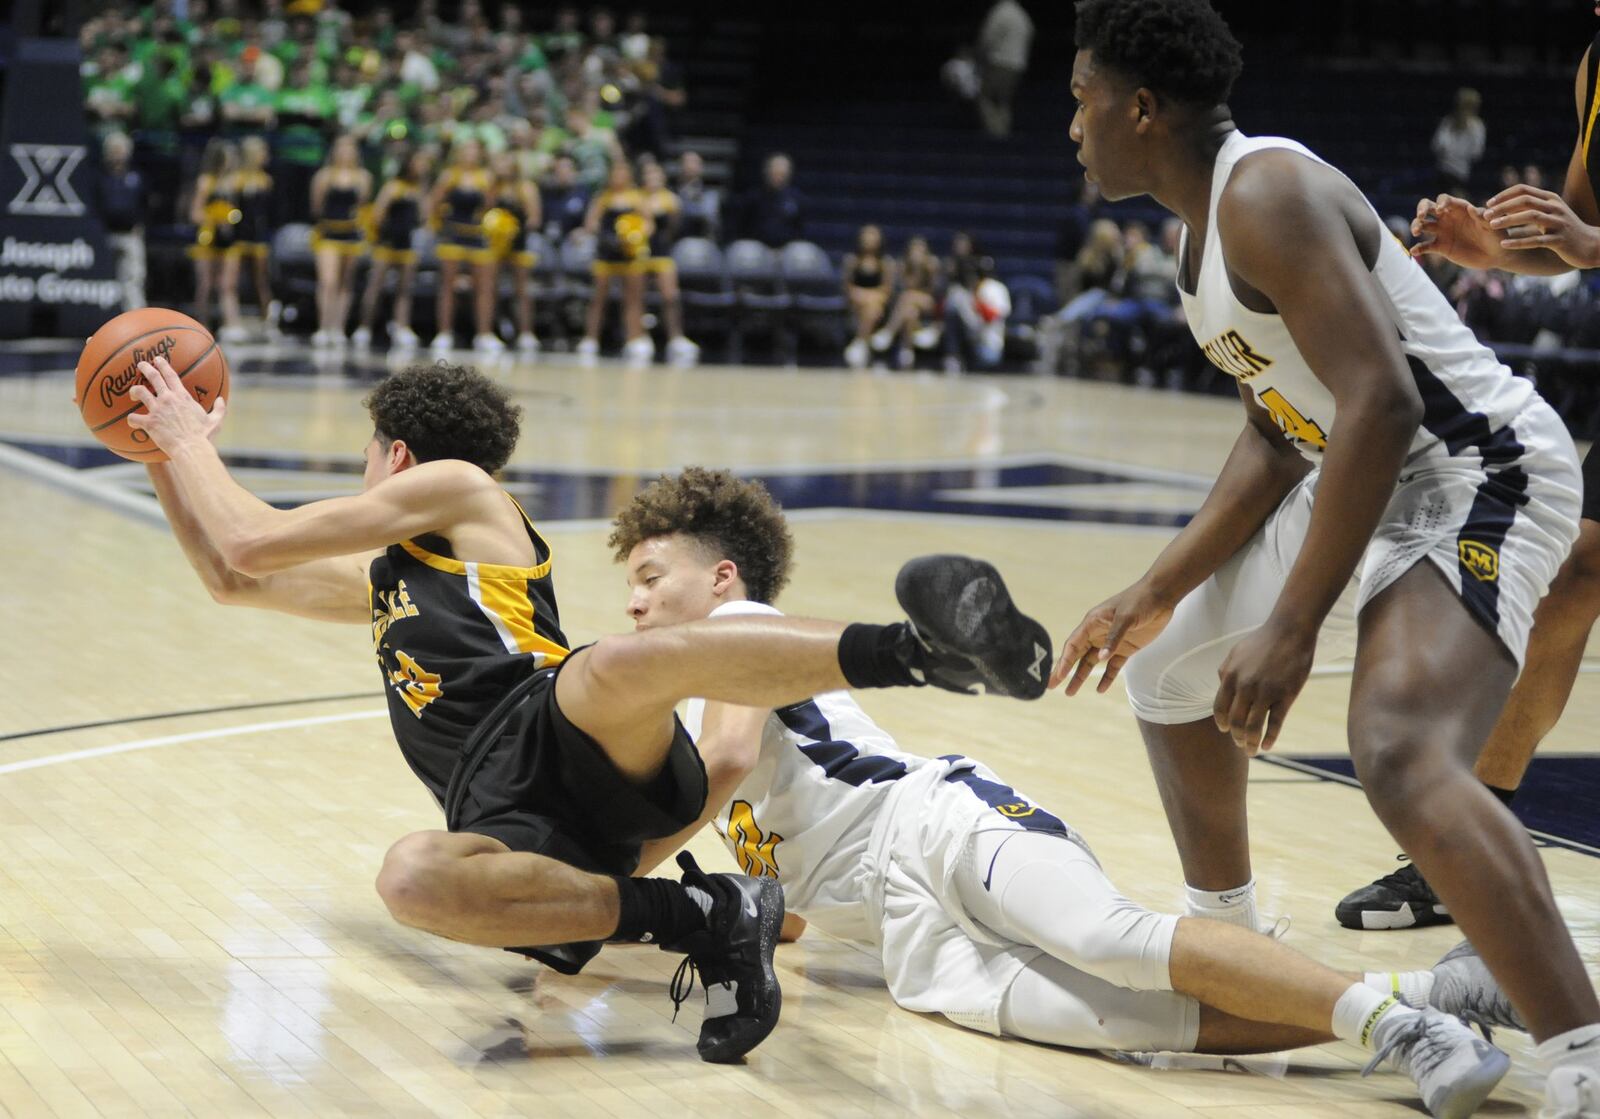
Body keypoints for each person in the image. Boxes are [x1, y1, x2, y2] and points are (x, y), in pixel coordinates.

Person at [121, 356, 1054, 1063]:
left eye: (368, 456)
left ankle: (915, 651)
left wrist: (184, 435)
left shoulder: (464, 491)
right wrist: (153, 446)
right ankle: (700, 912)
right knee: (411, 877)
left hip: (552, 721)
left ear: (396, 456)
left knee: (614, 666)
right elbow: (231, 571)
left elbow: (252, 530)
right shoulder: (385, 580)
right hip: (500, 803)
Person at [1051, 3, 1598, 1116]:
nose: (1071, 125)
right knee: (1167, 677)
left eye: (1079, 99)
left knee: (1394, 747)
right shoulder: (1203, 233)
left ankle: (1582, 1056)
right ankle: (1247, 966)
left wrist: (1292, 627)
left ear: (1141, 108)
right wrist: (1153, 589)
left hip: (1477, 471)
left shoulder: (1268, 193)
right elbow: (1277, 429)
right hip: (1365, 470)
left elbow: (1383, 402)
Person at [613, 466, 1521, 1110]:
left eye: (652, 576)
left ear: (723, 576)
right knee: (1128, 1021)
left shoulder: (736, 629)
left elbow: (727, 762)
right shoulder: (698, 696)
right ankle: (1437, 996)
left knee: (1109, 937)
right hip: (905, 937)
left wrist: (613, 887)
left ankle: (1400, 1030)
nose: (636, 603)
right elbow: (789, 892)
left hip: (930, 821)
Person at [1334, 14, 1600, 946]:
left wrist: (1593, 248)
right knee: (1575, 578)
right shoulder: (1595, 66)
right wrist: (1499, 249)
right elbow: (1580, 232)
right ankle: (1470, 835)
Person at [353, 146, 431, 352]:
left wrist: (423, 187)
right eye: (419, 162)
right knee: (376, 286)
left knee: (405, 289)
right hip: (387, 243)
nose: (423, 166)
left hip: (407, 244)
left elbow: (424, 216)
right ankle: (365, 326)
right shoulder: (393, 186)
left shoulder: (418, 189)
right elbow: (378, 214)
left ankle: (402, 326)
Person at [428, 137, 501, 355]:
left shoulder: (486, 177)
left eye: (474, 150)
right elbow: (434, 203)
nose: (470, 154)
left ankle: (484, 334)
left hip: (477, 235)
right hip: (453, 235)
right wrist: (437, 226)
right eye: (466, 149)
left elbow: (491, 207)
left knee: (484, 286)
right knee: (448, 285)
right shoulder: (450, 175)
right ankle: (444, 332)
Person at [577, 159, 650, 363]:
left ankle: (634, 339)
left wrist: (634, 235)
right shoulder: (603, 197)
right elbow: (591, 222)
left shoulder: (636, 197)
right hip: (607, 252)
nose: (618, 176)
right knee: (598, 298)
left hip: (630, 254)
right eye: (615, 172)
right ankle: (591, 339)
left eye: (622, 172)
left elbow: (648, 223)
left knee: (633, 298)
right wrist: (602, 234)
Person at [309, 134, 372, 349]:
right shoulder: (324, 176)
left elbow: (362, 206)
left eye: (350, 149)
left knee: (346, 282)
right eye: (341, 149)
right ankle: (323, 326)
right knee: (328, 281)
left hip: (351, 234)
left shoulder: (363, 177)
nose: (346, 153)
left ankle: (338, 327)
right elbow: (316, 206)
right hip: (329, 232)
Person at [636, 159, 700, 365]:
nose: (652, 179)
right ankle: (640, 337)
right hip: (639, 254)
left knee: (671, 296)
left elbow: (674, 229)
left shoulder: (670, 200)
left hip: (662, 253)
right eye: (648, 175)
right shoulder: (637, 199)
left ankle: (675, 337)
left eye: (656, 175)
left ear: (663, 177)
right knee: (638, 298)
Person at [220, 135, 277, 343]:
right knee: (230, 282)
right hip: (237, 237)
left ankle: (268, 321)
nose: (265, 156)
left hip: (257, 236)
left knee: (261, 280)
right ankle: (232, 322)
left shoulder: (265, 180)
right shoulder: (235, 179)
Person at [488, 150, 543, 356]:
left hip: (519, 243)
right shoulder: (494, 187)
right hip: (495, 245)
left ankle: (526, 332)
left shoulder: (526, 188)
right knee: (490, 287)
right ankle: (491, 331)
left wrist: (512, 228)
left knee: (522, 289)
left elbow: (534, 217)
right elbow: (486, 210)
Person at [94, 132, 148, 313]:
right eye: (113, 151)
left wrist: (140, 224)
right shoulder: (99, 177)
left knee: (133, 278)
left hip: (131, 234)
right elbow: (95, 204)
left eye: (120, 150)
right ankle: (102, 320)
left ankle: (136, 320)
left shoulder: (136, 177)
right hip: (105, 235)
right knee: (102, 279)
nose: (117, 155)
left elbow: (146, 203)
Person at [187, 138, 238, 331]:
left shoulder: (232, 182)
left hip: (227, 237)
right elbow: (194, 212)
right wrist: (215, 218)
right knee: (205, 284)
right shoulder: (205, 182)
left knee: (226, 284)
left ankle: (229, 324)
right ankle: (202, 324)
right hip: (208, 236)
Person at [873, 235, 943, 369]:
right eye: (914, 250)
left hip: (929, 304)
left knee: (908, 297)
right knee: (910, 312)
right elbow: (898, 291)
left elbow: (936, 292)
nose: (916, 253)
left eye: (920, 250)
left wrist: (924, 270)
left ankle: (889, 331)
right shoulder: (902, 266)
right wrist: (912, 270)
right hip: (906, 308)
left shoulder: (932, 265)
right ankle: (907, 350)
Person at [975, 0, 1034, 138]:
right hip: (1018, 64)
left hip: (1001, 62)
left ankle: (995, 133)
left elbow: (986, 39)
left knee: (986, 98)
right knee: (1003, 101)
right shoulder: (1021, 14)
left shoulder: (1000, 12)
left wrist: (979, 56)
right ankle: (1002, 132)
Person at [842, 225, 895, 369]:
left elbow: (886, 290)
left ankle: (860, 342)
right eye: (867, 235)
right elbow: (847, 288)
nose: (870, 239)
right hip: (856, 304)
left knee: (873, 306)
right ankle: (863, 344)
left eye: (873, 235)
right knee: (870, 305)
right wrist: (863, 295)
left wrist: (869, 296)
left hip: (879, 306)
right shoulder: (852, 260)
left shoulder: (885, 263)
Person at [737, 153, 804, 248]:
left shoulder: (796, 198)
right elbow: (743, 227)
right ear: (767, 172)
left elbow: (799, 229)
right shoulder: (753, 197)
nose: (778, 177)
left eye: (782, 174)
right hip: (757, 248)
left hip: (786, 250)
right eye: (775, 173)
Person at [1432, 87, 1487, 199]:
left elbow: (1476, 153)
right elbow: (1437, 146)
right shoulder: (1448, 122)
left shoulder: (1476, 126)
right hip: (1445, 171)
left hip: (1463, 174)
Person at [675, 150, 720, 242]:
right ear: (680, 166)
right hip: (678, 241)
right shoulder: (671, 192)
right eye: (686, 162)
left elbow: (709, 218)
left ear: (701, 167)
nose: (690, 166)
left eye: (694, 162)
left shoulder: (710, 193)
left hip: (704, 242)